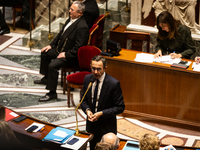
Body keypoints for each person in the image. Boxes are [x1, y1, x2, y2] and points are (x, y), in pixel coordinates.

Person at [34, 1, 89, 101]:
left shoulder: (82, 27)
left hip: (71, 56)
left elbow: (79, 48)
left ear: (80, 13)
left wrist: (66, 54)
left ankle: (52, 93)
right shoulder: (71, 19)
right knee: (44, 53)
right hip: (60, 50)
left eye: (72, 10)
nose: (69, 11)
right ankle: (47, 78)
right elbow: (60, 34)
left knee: (52, 66)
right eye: (70, 8)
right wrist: (51, 45)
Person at [81, 55, 125, 150]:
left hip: (107, 127)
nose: (96, 72)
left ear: (105, 68)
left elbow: (120, 107)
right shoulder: (87, 79)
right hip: (92, 125)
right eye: (93, 68)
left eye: (99, 69)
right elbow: (83, 100)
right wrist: (88, 110)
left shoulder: (113, 84)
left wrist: (102, 113)